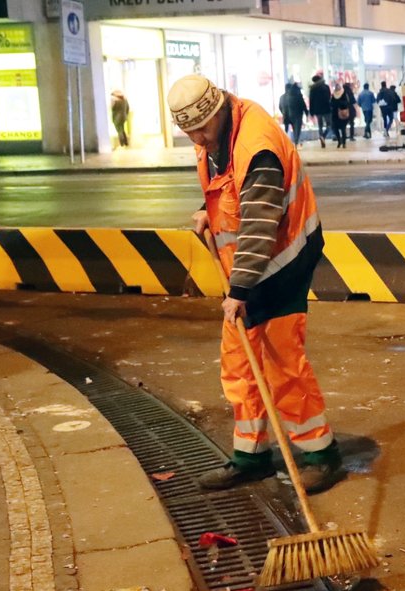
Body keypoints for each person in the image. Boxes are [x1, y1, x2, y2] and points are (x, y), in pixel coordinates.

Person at [165, 74, 341, 491]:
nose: (198, 139)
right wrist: (209, 211)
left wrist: (240, 291)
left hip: (283, 259)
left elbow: (260, 225)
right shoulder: (217, 135)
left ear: (220, 109)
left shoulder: (256, 146)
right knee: (240, 361)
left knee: (281, 362)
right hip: (250, 264)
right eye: (189, 132)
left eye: (202, 129)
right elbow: (232, 191)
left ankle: (321, 454)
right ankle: (251, 455)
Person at [278, 82, 307, 146]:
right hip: (297, 115)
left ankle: (285, 143)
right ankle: (296, 142)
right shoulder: (297, 95)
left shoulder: (282, 97)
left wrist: (283, 112)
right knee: (296, 129)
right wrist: (306, 113)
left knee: (286, 130)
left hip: (286, 116)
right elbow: (303, 105)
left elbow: (280, 107)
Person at [308, 74, 332, 148]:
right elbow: (329, 97)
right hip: (326, 109)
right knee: (330, 125)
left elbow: (311, 101)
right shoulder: (326, 87)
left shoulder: (312, 89)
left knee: (320, 125)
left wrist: (311, 111)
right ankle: (324, 136)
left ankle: (321, 136)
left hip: (318, 110)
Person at [330, 84, 351, 148]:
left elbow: (347, 103)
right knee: (336, 129)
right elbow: (331, 103)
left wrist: (338, 104)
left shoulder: (344, 94)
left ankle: (343, 142)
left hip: (342, 114)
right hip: (335, 114)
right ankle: (339, 141)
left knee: (343, 129)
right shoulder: (333, 95)